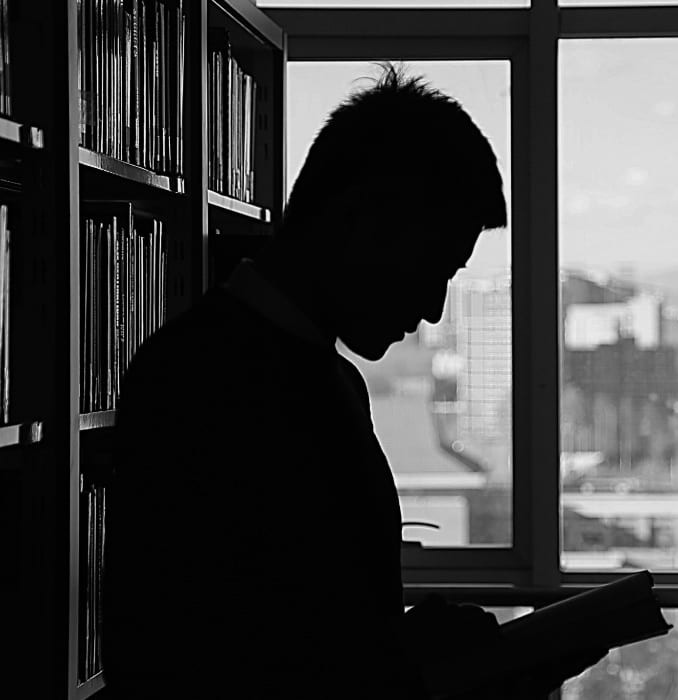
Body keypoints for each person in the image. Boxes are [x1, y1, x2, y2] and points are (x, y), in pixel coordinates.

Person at [104, 63, 601, 699]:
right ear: (363, 221)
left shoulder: (238, 369)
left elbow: (294, 633)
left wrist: (407, 650)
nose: (432, 309)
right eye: (433, 266)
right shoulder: (206, 383)